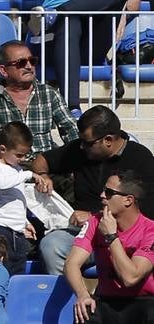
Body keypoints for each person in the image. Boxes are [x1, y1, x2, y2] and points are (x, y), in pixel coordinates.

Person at [33, 106, 154, 275]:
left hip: (126, 236)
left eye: (87, 143)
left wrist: (94, 218)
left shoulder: (141, 159)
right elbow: (42, 159)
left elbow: (147, 212)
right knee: (51, 245)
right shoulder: (80, 151)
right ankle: (74, 299)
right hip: (84, 234)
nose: (82, 146)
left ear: (108, 140)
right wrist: (42, 175)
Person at [0, 39, 78, 167]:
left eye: (32, 61)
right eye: (21, 62)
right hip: (6, 169)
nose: (29, 66)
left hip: (44, 166)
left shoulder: (50, 94)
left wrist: (79, 154)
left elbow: (70, 128)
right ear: (3, 70)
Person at [64, 172, 154, 324]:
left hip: (144, 302)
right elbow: (71, 264)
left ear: (128, 200)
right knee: (84, 310)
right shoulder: (94, 222)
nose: (102, 195)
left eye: (109, 192)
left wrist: (111, 237)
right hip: (107, 301)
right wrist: (82, 294)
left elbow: (130, 278)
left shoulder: (150, 231)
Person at [0, 122, 50, 274]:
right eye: (19, 155)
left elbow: (17, 199)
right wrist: (29, 174)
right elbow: (1, 184)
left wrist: (24, 221)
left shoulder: (16, 169)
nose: (22, 158)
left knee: (17, 270)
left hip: (17, 232)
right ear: (2, 149)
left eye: (25, 155)